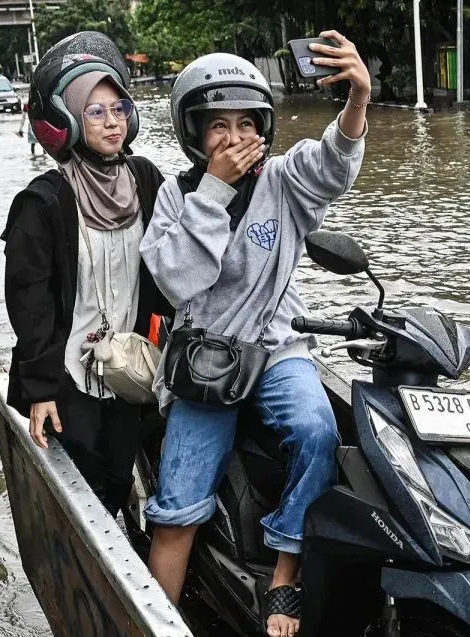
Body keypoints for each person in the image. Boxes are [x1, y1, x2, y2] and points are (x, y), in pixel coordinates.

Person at [141, 31, 369, 637]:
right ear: (193, 133)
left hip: (275, 349)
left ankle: (283, 578)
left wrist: (356, 102)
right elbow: (177, 281)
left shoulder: (283, 180)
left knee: (318, 431)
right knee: (177, 508)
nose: (235, 138)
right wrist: (213, 190)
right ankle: (155, 619)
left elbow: (331, 166)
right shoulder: (177, 194)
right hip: (206, 360)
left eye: (247, 123)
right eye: (218, 126)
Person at [2, 31, 171, 518]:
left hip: (127, 362)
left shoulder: (145, 180)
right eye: (95, 112)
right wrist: (40, 391)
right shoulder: (43, 203)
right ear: (68, 121)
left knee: (119, 477)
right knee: (84, 485)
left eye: (118, 108)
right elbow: (29, 305)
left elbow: (172, 259)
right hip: (67, 375)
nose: (112, 122)